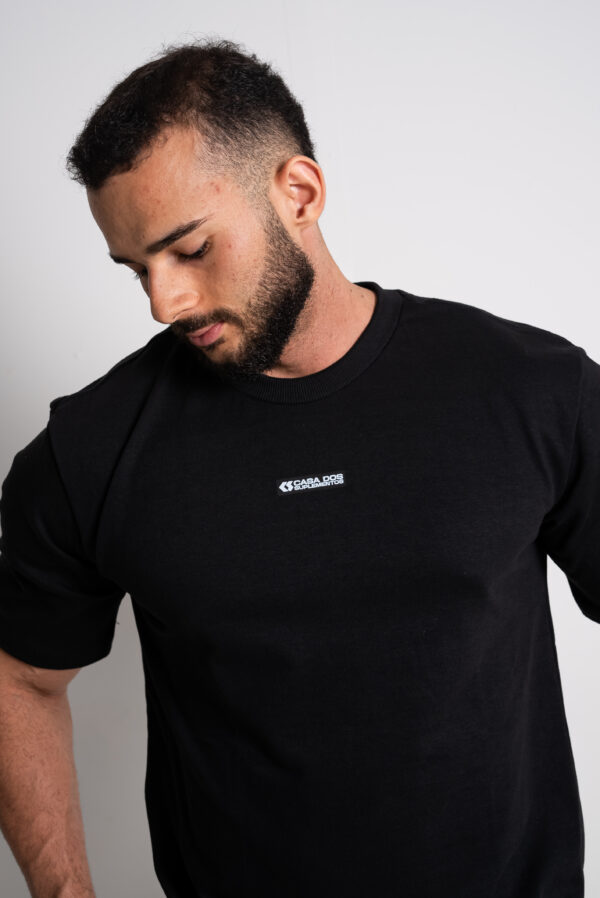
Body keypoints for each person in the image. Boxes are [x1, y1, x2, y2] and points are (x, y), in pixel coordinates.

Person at [0, 37, 598, 898]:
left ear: (300, 193)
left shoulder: (528, 387)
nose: (164, 302)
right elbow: (20, 676)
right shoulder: (90, 449)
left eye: (190, 249)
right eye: (137, 270)